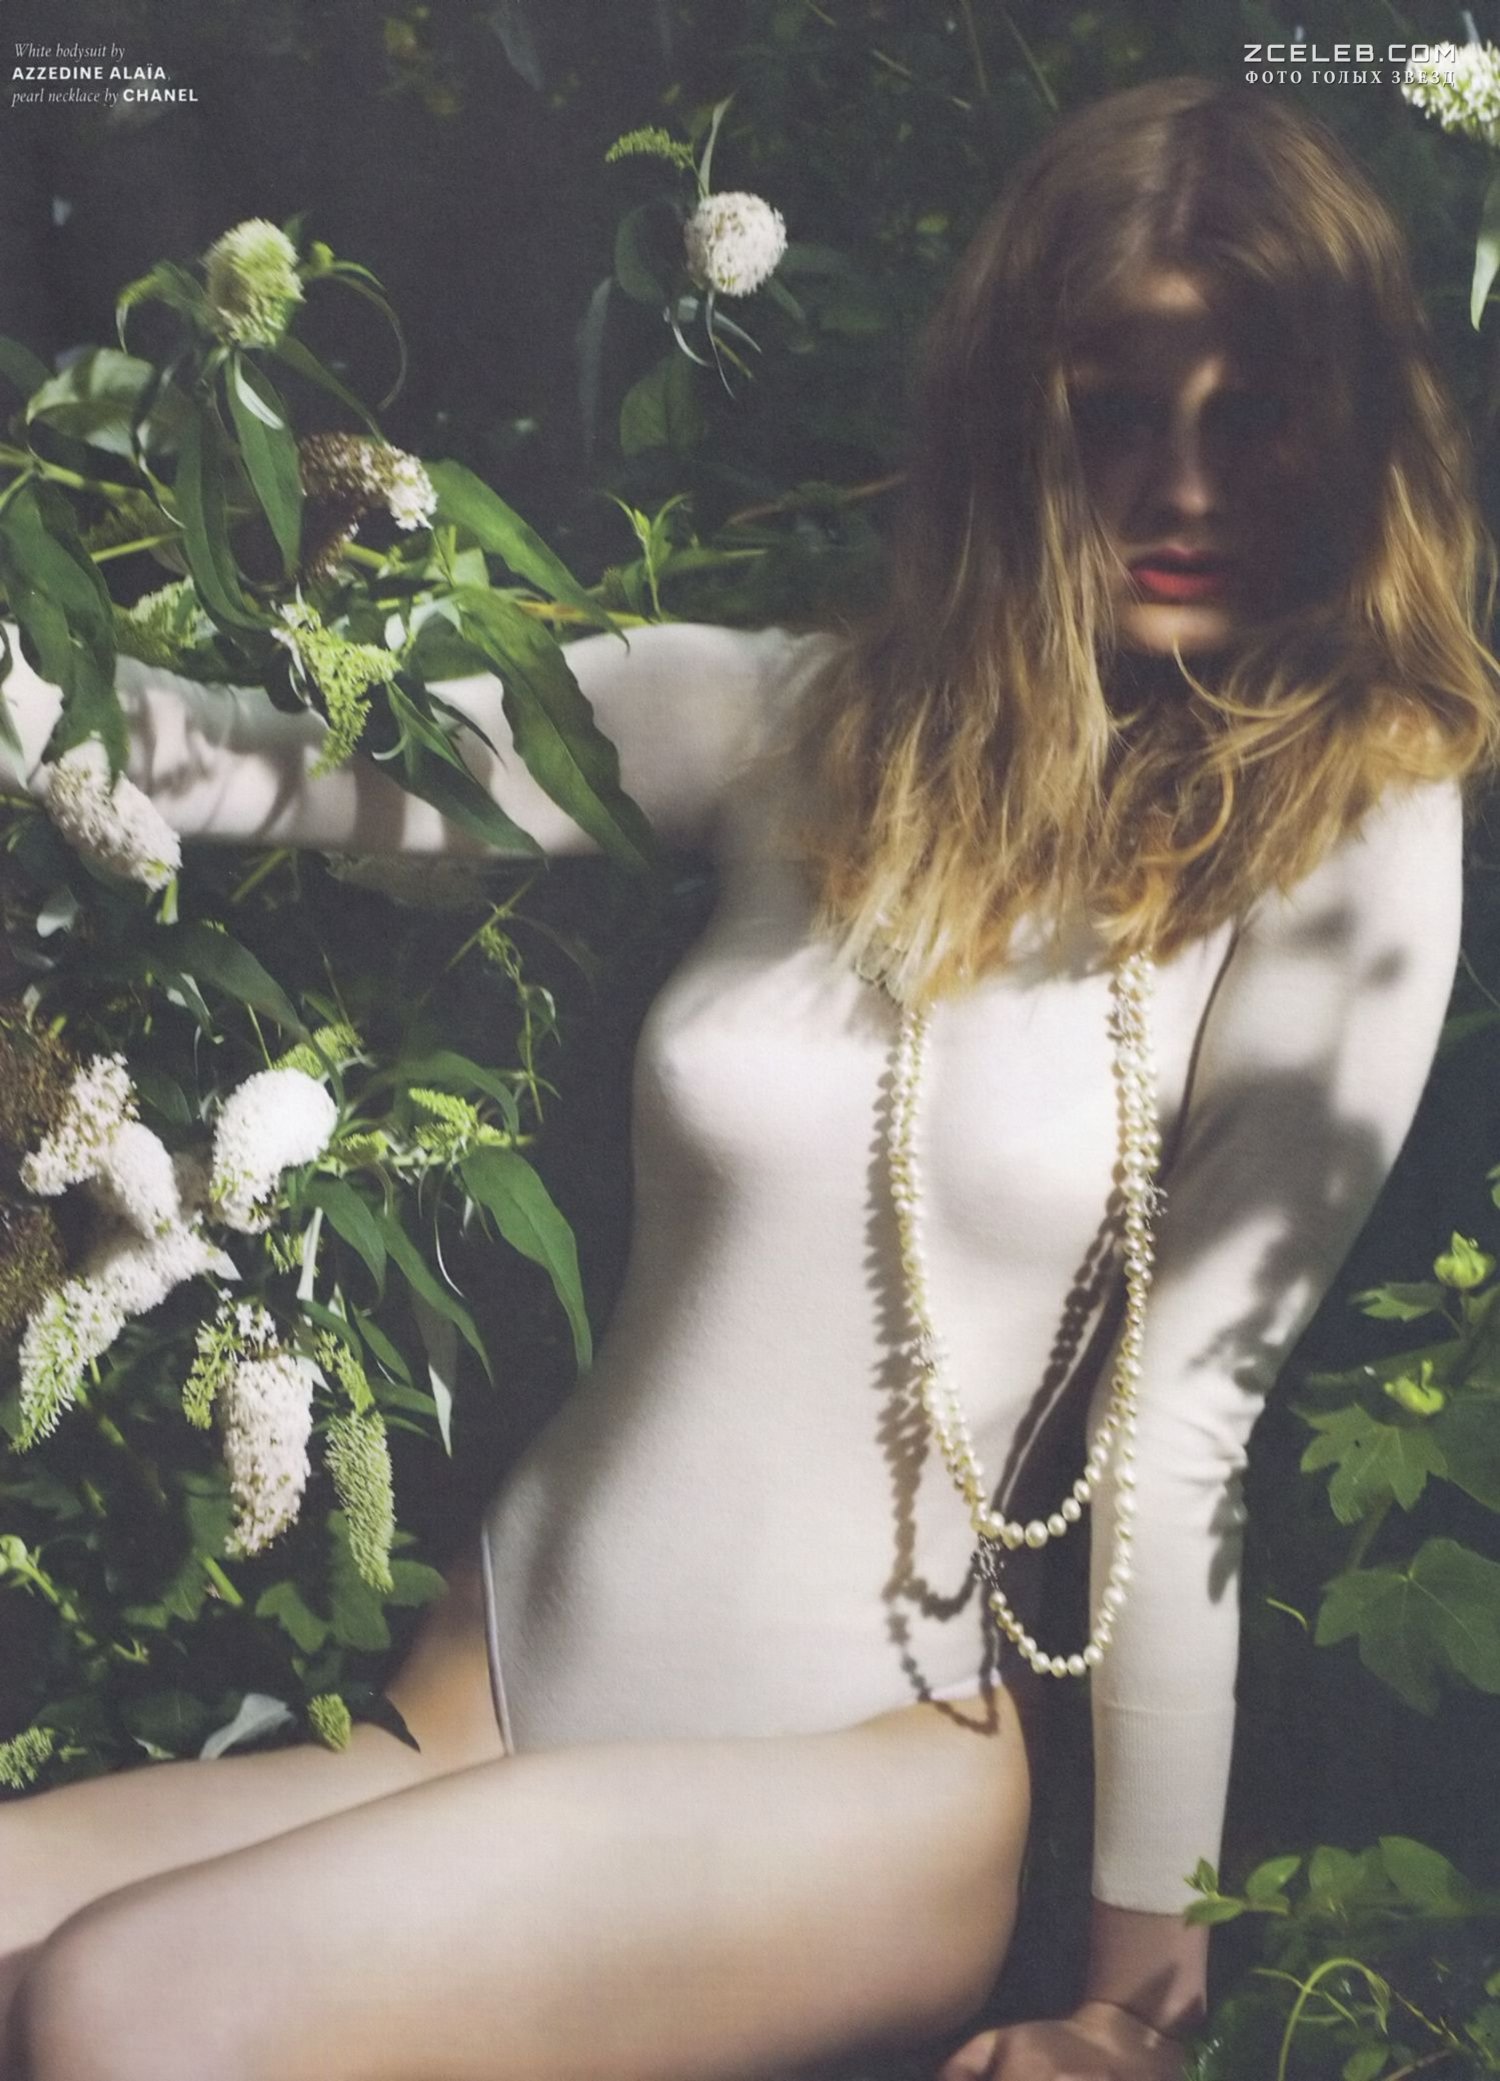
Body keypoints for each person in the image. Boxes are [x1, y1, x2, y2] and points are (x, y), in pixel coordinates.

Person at [0, 72, 1496, 2081]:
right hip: (485, 1707)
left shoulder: (1350, 819)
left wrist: (1143, 2007)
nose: (1183, 481)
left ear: (1350, 432)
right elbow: (249, 762)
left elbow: (1186, 1424)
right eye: (1120, 408)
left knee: (123, 2013)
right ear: (1018, 412)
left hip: (856, 1785)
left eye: (1254, 414)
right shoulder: (796, 718)